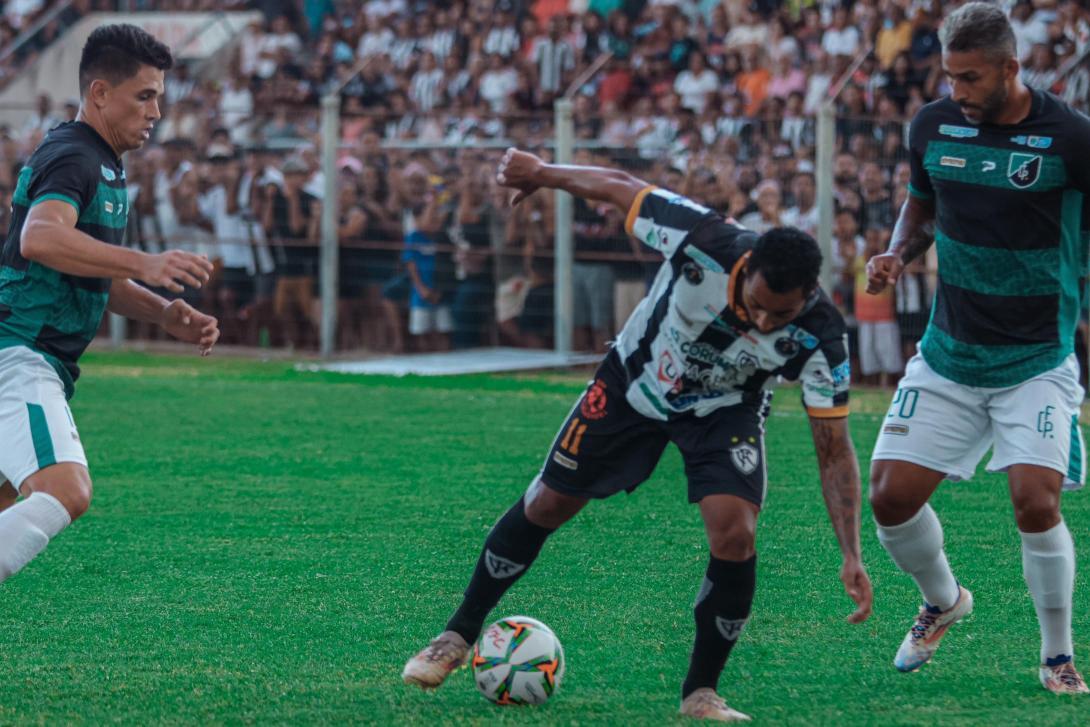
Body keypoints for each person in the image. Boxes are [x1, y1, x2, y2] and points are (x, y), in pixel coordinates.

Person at [402, 148, 873, 722]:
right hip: (633, 386)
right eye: (758, 307)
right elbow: (623, 187)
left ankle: (701, 692)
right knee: (549, 501)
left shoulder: (822, 335)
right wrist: (544, 174)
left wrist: (851, 551)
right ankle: (456, 636)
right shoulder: (704, 236)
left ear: (808, 296)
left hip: (724, 411)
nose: (767, 323)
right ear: (746, 269)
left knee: (735, 533)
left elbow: (834, 449)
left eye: (783, 314)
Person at [865, 2, 1090, 694]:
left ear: (1009, 69)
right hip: (949, 353)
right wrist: (899, 250)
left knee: (1034, 500)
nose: (956, 92)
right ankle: (943, 599)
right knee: (889, 499)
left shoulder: (1072, 139)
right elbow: (923, 202)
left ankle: (1057, 653)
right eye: (949, 76)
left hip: (1035, 359)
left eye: (970, 78)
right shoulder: (933, 125)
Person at [0, 24, 219, 584]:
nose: (156, 112)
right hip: (18, 354)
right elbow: (41, 238)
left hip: (29, 354)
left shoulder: (101, 160)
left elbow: (91, 268)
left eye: (160, 99)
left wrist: (164, 312)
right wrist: (144, 261)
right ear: (100, 93)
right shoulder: (76, 155)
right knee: (64, 490)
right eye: (144, 96)